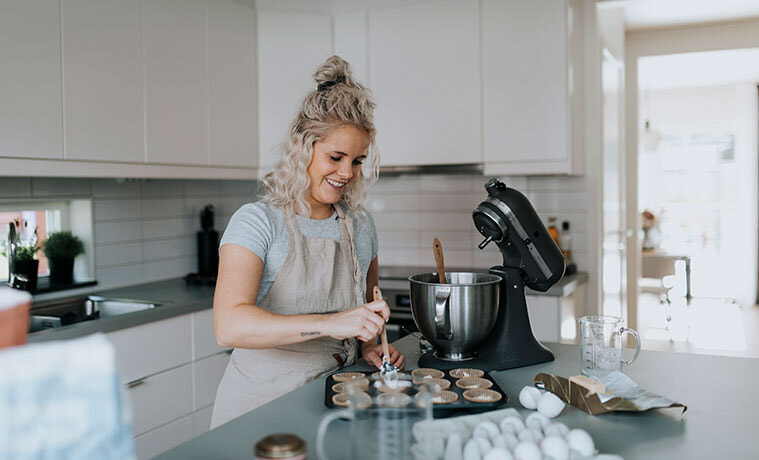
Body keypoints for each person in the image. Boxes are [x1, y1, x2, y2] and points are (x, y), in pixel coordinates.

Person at [210, 56, 405, 428]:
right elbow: (229, 326)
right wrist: (331, 323)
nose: (347, 173)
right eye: (336, 157)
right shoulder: (257, 222)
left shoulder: (360, 226)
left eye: (358, 161)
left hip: (340, 406)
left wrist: (370, 344)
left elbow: (365, 312)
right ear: (303, 147)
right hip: (261, 413)